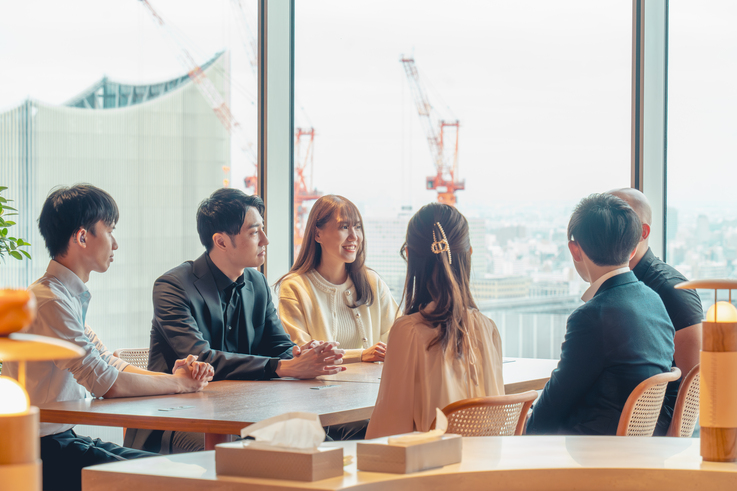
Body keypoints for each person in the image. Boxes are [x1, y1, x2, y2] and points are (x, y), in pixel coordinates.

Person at [3, 184, 214, 491]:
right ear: (83, 237)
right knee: (178, 478)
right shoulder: (50, 301)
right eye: (110, 230)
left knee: (184, 471)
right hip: (43, 450)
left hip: (63, 439)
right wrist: (180, 383)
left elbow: (109, 362)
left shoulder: (63, 296)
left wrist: (175, 378)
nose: (115, 243)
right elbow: (106, 383)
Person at [130, 188, 346, 453]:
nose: (265, 240)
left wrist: (306, 356)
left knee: (320, 444)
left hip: (245, 410)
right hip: (180, 418)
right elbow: (201, 358)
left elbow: (278, 345)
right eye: (255, 232)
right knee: (261, 453)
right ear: (221, 242)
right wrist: (281, 367)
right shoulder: (172, 287)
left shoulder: (257, 283)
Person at [526, 193, 675, 435]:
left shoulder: (592, 316)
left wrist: (520, 430)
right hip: (639, 449)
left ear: (575, 250)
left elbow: (551, 409)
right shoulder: (654, 301)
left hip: (592, 453)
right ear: (633, 247)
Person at [365, 203, 504, 439]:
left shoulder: (408, 332)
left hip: (433, 471)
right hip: (485, 469)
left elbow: (387, 437)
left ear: (408, 255)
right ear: (469, 254)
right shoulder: (488, 328)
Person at [608, 188, 703, 435]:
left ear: (643, 232)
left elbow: (693, 382)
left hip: (651, 428)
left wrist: (671, 448)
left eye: (616, 220)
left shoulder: (671, 289)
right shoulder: (616, 283)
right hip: (620, 417)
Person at [276, 195, 398, 364]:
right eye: (344, 227)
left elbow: (399, 339)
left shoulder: (372, 282)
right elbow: (301, 354)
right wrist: (361, 355)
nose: (354, 236)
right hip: (318, 390)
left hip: (373, 389)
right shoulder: (294, 287)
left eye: (357, 227)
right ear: (317, 234)